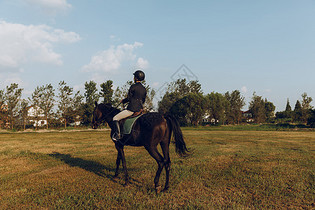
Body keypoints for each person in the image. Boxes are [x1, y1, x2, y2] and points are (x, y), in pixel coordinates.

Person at [112, 70, 147, 141]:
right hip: (140, 110)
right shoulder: (144, 89)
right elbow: (143, 100)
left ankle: (118, 134)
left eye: (134, 77)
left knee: (115, 118)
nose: (133, 78)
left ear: (136, 78)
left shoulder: (133, 87)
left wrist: (123, 101)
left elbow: (129, 98)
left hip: (132, 109)